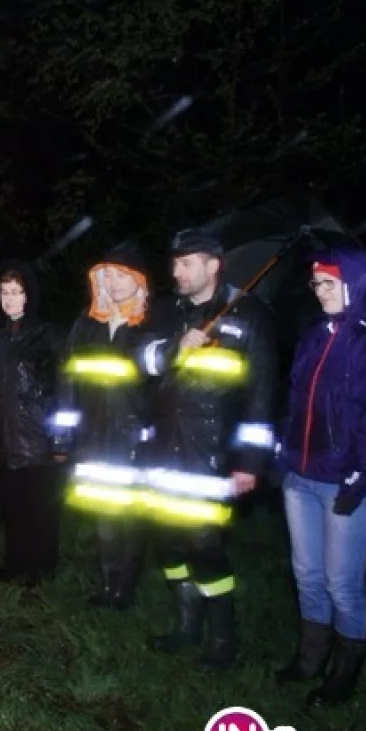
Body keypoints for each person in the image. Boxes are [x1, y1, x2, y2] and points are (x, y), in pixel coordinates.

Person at [137, 230, 277, 671]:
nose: (176, 272)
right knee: (167, 542)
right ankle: (185, 627)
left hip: (212, 454)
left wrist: (251, 462)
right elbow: (142, 362)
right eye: (174, 263)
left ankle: (222, 643)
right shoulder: (166, 310)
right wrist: (176, 347)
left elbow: (261, 395)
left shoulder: (249, 316)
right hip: (162, 450)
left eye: (185, 263)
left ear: (213, 264)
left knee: (204, 545)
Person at [275, 246, 366, 705]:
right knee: (307, 574)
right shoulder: (314, 334)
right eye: (316, 284)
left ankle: (343, 676)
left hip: (350, 484)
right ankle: (310, 659)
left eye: (329, 283)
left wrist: (359, 477)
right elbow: (295, 400)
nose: (320, 292)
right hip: (301, 476)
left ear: (357, 283)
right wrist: (284, 455)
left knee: (341, 583)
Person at [54, 243, 153, 609]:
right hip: (94, 435)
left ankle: (126, 587)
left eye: (119, 274)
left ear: (137, 279)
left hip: (134, 439)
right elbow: (68, 377)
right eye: (105, 273)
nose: (110, 281)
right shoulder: (87, 323)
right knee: (103, 513)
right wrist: (64, 433)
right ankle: (108, 583)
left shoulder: (151, 323)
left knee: (129, 514)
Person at [0, 260, 66, 586]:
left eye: (17, 292)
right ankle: (14, 561)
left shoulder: (48, 334)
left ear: (29, 296)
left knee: (41, 507)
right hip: (4, 434)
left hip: (38, 436)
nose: (10, 299)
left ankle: (41, 567)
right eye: (5, 292)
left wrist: (60, 439)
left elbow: (63, 389)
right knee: (11, 505)